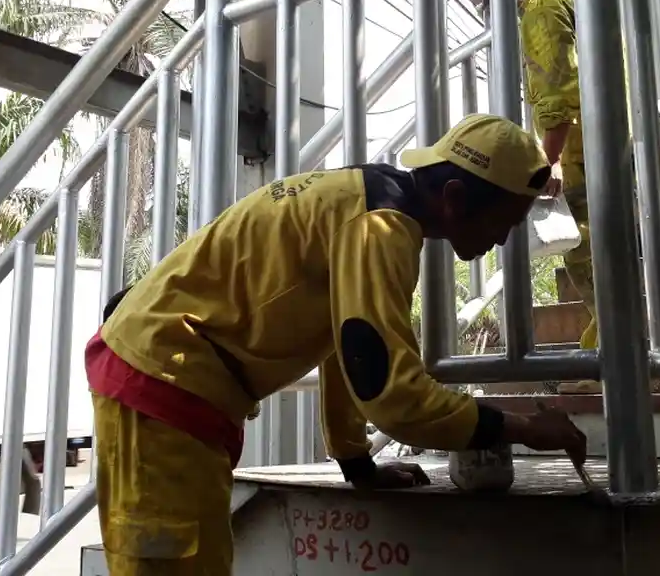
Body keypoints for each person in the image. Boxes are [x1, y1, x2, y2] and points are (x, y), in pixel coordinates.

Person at [87, 113, 588, 575]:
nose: (502, 240)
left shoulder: (368, 203)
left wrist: (356, 461)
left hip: (172, 378)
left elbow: (346, 346)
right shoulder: (379, 227)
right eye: (504, 221)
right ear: (454, 197)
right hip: (161, 379)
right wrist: (521, 428)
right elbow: (393, 395)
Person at [511, 0, 603, 395]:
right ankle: (601, 352)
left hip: (579, 151)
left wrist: (551, 159)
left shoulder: (544, 5)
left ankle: (609, 364)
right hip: (604, 143)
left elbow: (557, 87)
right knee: (604, 259)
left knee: (588, 259)